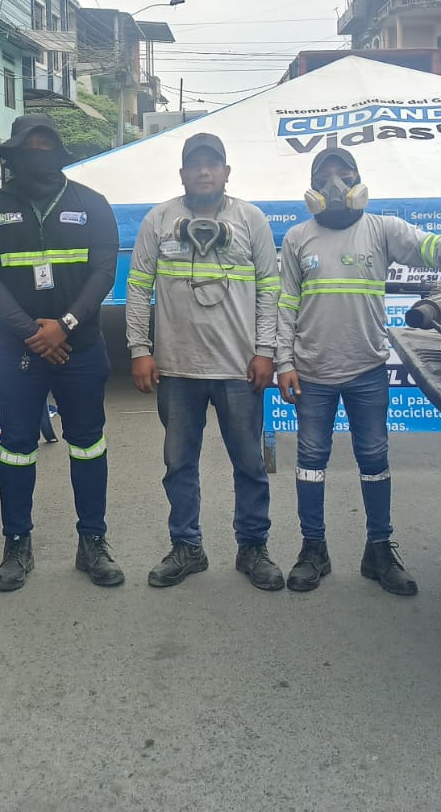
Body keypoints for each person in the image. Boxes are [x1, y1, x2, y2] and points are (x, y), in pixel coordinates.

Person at [275, 146, 441, 597]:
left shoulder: (383, 229)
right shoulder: (297, 237)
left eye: (344, 174)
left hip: (367, 371)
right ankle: (313, 550)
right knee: (310, 462)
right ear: (313, 186)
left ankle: (378, 552)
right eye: (325, 175)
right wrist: (283, 362)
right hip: (312, 373)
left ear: (358, 181)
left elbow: (431, 247)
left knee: (374, 460)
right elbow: (285, 305)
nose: (335, 183)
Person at [0, 114, 123, 592]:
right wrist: (32, 332)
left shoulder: (92, 204)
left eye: (46, 147)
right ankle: (17, 545)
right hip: (19, 350)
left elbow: (103, 273)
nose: (38, 156)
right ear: (12, 156)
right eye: (28, 149)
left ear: (59, 153)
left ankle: (92, 542)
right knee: (16, 447)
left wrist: (65, 326)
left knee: (87, 442)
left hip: (81, 346)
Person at [127, 132, 285, 591]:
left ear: (226, 172)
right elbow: (138, 287)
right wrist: (140, 349)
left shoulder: (251, 220)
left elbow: (270, 289)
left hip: (239, 368)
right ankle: (186, 547)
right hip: (177, 369)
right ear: (182, 173)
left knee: (250, 464)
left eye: (212, 164)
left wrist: (266, 351)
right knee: (179, 465)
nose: (203, 172)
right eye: (195, 164)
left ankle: (252, 547)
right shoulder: (158, 220)